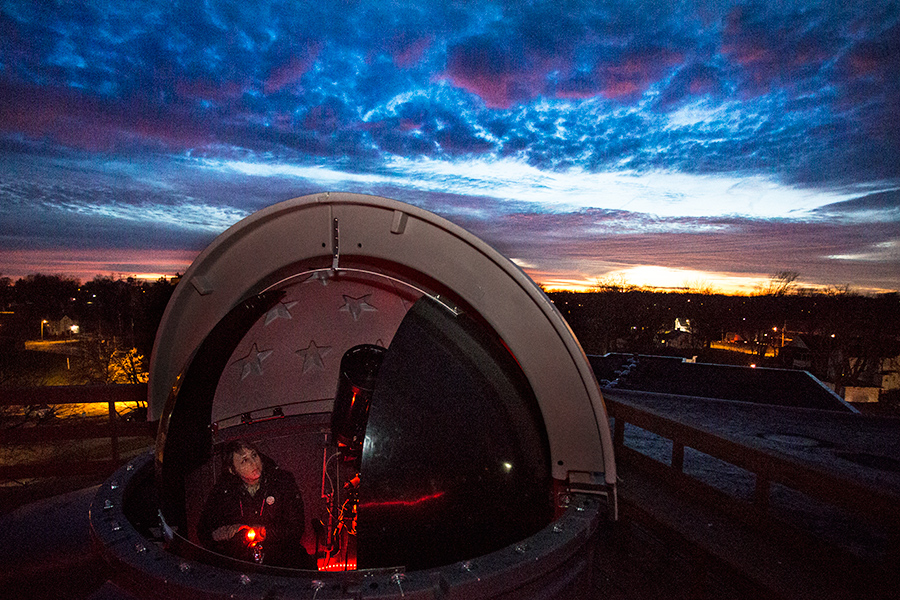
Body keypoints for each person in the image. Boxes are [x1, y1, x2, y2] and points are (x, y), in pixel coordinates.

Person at [197, 439, 316, 569]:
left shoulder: (281, 481)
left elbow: (296, 527)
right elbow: (204, 531)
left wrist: (266, 532)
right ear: (232, 470)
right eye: (244, 461)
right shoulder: (223, 491)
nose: (254, 463)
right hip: (241, 561)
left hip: (280, 556)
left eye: (254, 455)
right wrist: (226, 533)